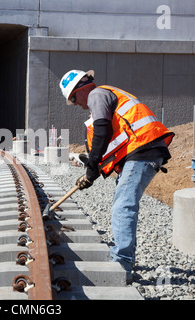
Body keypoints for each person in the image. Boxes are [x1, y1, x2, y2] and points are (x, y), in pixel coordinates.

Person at [59, 69, 174, 283]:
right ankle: (124, 259)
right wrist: (93, 170)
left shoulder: (97, 95)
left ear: (81, 89)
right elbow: (114, 136)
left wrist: (93, 165)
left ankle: (121, 265)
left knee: (123, 206)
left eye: (73, 98)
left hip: (142, 150)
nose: (75, 104)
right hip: (139, 150)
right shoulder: (106, 95)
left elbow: (103, 129)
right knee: (123, 204)